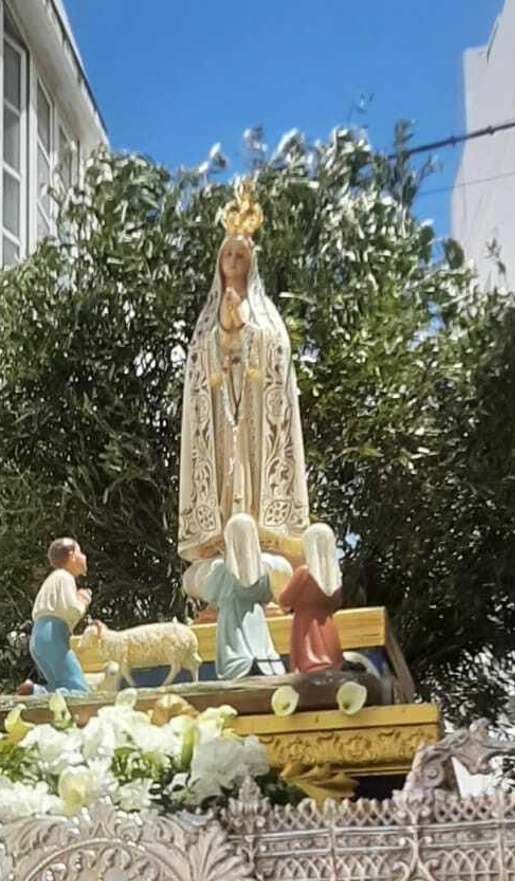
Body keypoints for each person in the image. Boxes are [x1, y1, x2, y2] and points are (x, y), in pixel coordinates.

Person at [177, 179, 311, 570]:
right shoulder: (206, 319)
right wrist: (222, 335)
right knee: (224, 473)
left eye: (240, 254)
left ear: (250, 263)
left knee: (253, 473)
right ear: (219, 263)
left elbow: (277, 352)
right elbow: (200, 364)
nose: (234, 260)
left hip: (255, 413)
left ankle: (263, 538)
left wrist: (247, 331)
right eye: (228, 254)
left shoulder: (266, 312)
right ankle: (221, 540)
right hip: (221, 413)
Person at [187, 514, 287, 681]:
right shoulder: (262, 571)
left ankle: (244, 666)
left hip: (231, 615)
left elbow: (209, 594)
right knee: (260, 644)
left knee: (235, 649)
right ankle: (263, 661)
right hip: (256, 615)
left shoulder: (223, 569)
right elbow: (266, 595)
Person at [277, 523, 344, 675]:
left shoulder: (305, 573)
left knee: (308, 666)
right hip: (328, 625)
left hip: (305, 626)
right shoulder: (335, 577)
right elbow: (336, 604)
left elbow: (285, 600)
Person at [29, 538, 92, 696]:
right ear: (71, 555)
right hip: (53, 633)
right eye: (80, 552)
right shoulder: (65, 577)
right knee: (78, 689)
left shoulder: (55, 579)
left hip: (39, 635)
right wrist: (83, 601)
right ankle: (34, 691)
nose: (84, 557)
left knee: (60, 686)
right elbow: (72, 609)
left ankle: (35, 692)